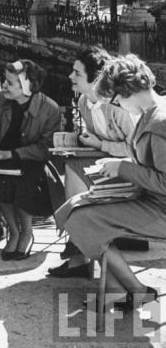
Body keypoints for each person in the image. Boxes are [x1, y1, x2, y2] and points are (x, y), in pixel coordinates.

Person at [58, 54, 166, 310]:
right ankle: (125, 290)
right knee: (77, 206)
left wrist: (122, 168)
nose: (117, 106)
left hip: (161, 210)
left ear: (128, 90)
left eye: (116, 100)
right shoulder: (153, 112)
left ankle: (132, 290)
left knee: (82, 219)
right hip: (151, 201)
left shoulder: (160, 123)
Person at [48, 46, 141, 279]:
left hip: (131, 172)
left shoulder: (119, 108)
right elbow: (96, 139)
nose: (71, 76)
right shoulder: (82, 102)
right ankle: (78, 245)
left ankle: (78, 248)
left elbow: (138, 150)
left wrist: (101, 146)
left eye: (77, 73)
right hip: (105, 165)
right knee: (66, 168)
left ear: (95, 79)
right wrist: (76, 140)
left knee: (75, 177)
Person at [0, 59, 60, 261]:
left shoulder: (50, 109)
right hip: (3, 155)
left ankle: (26, 233)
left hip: (32, 160)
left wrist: (12, 154)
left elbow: (46, 149)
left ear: (27, 87)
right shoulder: (2, 99)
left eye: (9, 83)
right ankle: (14, 231)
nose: (3, 86)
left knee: (22, 183)